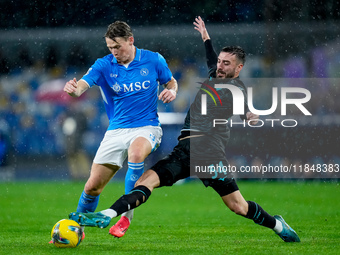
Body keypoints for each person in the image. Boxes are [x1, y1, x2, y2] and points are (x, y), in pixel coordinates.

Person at [69, 17, 300, 243]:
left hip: (210, 155)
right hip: (184, 151)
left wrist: (249, 114)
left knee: (238, 206)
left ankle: (278, 224)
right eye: (219, 62)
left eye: (226, 64)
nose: (219, 66)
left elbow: (243, 106)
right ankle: (109, 215)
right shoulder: (214, 74)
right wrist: (206, 38)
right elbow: (212, 59)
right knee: (145, 182)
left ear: (238, 69)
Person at [63, 21, 178, 239]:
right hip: (116, 131)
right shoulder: (104, 65)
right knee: (92, 187)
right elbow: (82, 86)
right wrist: (73, 90)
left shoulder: (153, 59)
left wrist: (172, 92)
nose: (114, 52)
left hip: (147, 127)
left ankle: (125, 217)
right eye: (110, 48)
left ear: (130, 40)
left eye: (118, 47)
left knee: (136, 153)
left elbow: (171, 83)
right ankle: (75, 229)